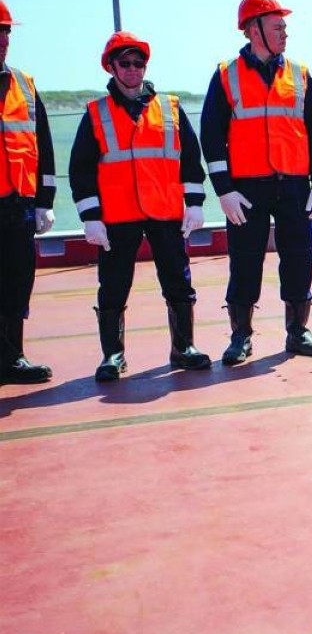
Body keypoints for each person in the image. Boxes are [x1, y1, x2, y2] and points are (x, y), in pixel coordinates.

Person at [70, 32, 211, 381]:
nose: (133, 69)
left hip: (165, 211)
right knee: (113, 285)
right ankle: (113, 355)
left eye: (139, 62)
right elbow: (81, 170)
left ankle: (183, 347)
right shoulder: (96, 114)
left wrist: (195, 203)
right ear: (112, 67)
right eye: (125, 63)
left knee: (178, 279)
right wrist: (91, 218)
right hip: (117, 216)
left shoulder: (171, 108)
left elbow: (190, 160)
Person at [200, 0, 312, 365]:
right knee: (245, 261)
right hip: (247, 189)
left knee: (299, 257)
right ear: (253, 30)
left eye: (285, 27)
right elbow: (211, 135)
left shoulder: (300, 74)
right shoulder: (226, 75)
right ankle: (240, 336)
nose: (285, 33)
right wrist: (224, 190)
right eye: (278, 27)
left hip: (294, 185)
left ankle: (298, 331)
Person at [0, 0, 55, 384]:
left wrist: (45, 203)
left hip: (18, 204)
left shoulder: (24, 84)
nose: (3, 39)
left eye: (5, 32)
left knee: (18, 282)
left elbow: (44, 146)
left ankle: (11, 358)